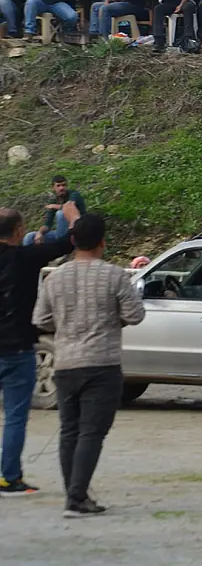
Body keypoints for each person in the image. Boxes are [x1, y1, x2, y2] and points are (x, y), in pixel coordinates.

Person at [33, 214, 145, 518]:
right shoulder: (114, 276)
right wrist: (113, 319)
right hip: (102, 363)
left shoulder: (54, 277)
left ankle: (74, 494)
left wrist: (66, 325)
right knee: (92, 432)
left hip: (66, 362)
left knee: (69, 430)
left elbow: (41, 320)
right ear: (103, 242)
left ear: (72, 241)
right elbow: (135, 315)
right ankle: (77, 498)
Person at [0, 202, 81, 497]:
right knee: (15, 417)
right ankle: (8, 477)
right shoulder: (25, 258)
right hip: (17, 347)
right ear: (20, 231)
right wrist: (73, 219)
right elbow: (65, 243)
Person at [23, 175, 85, 247]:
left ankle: (63, 248)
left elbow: (69, 207)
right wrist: (39, 233)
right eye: (58, 186)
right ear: (53, 188)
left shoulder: (74, 194)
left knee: (60, 213)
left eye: (64, 185)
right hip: (61, 234)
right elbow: (48, 225)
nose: (61, 188)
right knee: (30, 237)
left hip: (78, 233)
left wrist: (54, 206)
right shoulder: (54, 200)